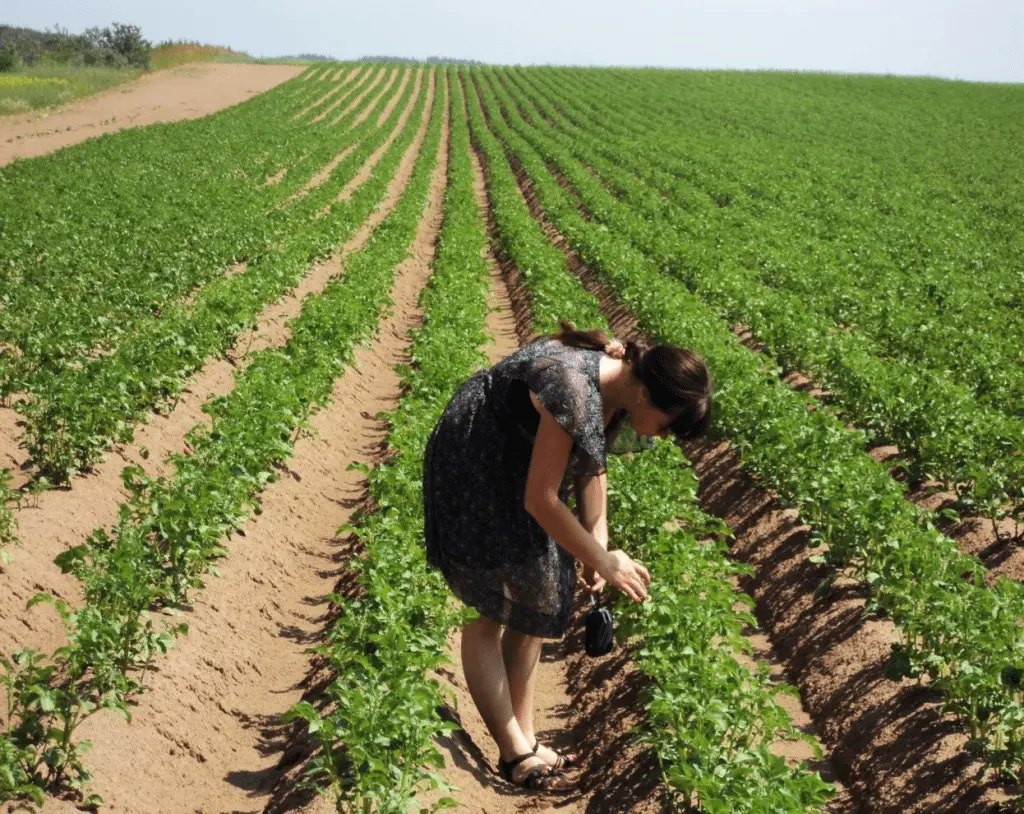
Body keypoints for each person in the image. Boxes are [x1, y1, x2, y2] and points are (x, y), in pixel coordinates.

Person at [422, 321, 712, 793]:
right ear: (646, 396)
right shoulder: (574, 390)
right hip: (480, 460)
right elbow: (541, 499)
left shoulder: (618, 387)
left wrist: (599, 540)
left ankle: (527, 738)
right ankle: (514, 751)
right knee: (491, 608)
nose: (660, 437)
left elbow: (591, 467)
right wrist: (601, 559)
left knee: (540, 597)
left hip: (522, 461)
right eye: (665, 425)